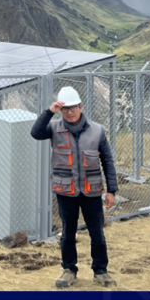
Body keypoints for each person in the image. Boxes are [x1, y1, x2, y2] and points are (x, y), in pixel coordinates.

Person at [31, 86, 118, 288]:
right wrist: (49, 111)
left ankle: (100, 271)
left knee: (97, 233)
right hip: (66, 191)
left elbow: (107, 161)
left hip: (91, 191)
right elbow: (35, 133)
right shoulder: (53, 127)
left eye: (73, 107)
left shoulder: (97, 130)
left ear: (81, 107)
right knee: (67, 233)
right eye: (65, 109)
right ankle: (69, 270)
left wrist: (111, 191)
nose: (69, 112)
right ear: (60, 110)